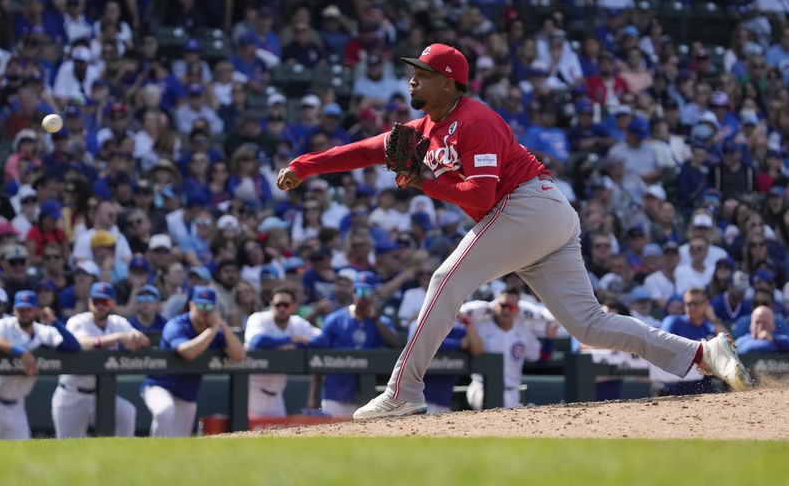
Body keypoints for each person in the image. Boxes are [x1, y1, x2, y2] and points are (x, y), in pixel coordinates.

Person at [277, 43, 752, 420]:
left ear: (449, 82)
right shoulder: (421, 128)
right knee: (588, 324)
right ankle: (703, 354)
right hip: (538, 218)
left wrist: (422, 181)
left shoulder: (476, 121)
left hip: (528, 206)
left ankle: (404, 391)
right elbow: (361, 150)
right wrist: (304, 166)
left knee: (446, 279)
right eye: (412, 71)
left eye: (421, 72)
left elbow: (480, 198)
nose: (412, 78)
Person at [141, 286, 244, 437]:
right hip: (159, 385)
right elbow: (188, 353)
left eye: (209, 306)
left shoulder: (216, 330)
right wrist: (214, 328)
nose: (204, 310)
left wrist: (222, 325)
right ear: (191, 305)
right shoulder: (177, 325)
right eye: (200, 305)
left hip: (187, 393)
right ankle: (153, 454)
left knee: (181, 440)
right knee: (164, 410)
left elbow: (239, 356)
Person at [52, 282, 150, 438]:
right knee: (68, 448)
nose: (100, 306)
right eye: (96, 301)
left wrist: (136, 338)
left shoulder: (118, 322)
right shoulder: (78, 321)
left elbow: (144, 341)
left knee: (127, 412)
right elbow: (80, 344)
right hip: (72, 394)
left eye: (105, 302)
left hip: (102, 394)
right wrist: (117, 338)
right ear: (89, 302)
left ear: (113, 303)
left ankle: (121, 459)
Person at [308, 276, 400, 416]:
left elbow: (397, 344)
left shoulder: (381, 322)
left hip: (370, 395)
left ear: (374, 294)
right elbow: (319, 357)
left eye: (367, 292)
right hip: (336, 392)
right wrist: (314, 396)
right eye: (358, 290)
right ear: (352, 292)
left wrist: (375, 319)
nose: (362, 296)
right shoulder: (335, 319)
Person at [0, 291, 80, 439]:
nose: (24, 313)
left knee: (21, 453)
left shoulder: (42, 330)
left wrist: (53, 320)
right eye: (20, 309)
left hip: (17, 405)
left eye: (29, 309)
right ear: (13, 310)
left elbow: (73, 346)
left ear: (36, 310)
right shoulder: (5, 325)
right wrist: (21, 352)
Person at [462, 288, 555, 409]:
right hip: (481, 388)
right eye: (502, 305)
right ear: (495, 306)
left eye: (510, 307)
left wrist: (550, 339)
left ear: (517, 310)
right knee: (492, 414)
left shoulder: (523, 331)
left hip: (512, 391)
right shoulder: (481, 325)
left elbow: (542, 359)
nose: (505, 310)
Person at [244, 287, 321, 417]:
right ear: (271, 305)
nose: (281, 308)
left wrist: (296, 346)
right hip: (253, 394)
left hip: (277, 396)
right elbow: (257, 341)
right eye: (277, 304)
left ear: (293, 306)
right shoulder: (258, 318)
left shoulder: (296, 322)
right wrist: (290, 339)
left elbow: (321, 340)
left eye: (285, 305)